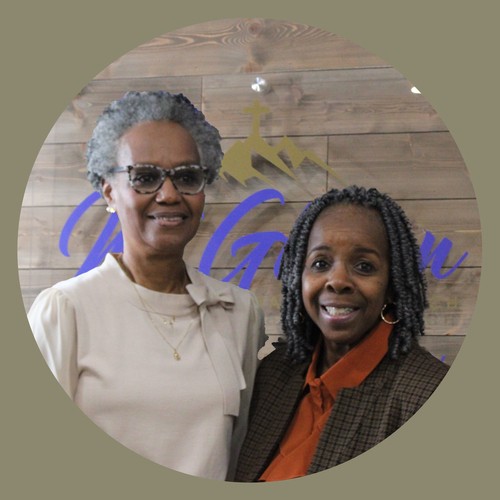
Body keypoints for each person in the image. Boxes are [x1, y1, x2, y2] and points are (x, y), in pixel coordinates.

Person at [28, 91, 266, 480]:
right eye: (145, 177)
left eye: (187, 177)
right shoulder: (65, 310)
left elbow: (238, 452)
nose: (169, 194)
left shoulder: (239, 311)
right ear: (109, 191)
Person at [234, 185, 449, 481]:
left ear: (391, 285)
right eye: (320, 263)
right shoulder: (275, 373)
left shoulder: (427, 395)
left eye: (364, 266)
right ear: (299, 276)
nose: (337, 281)